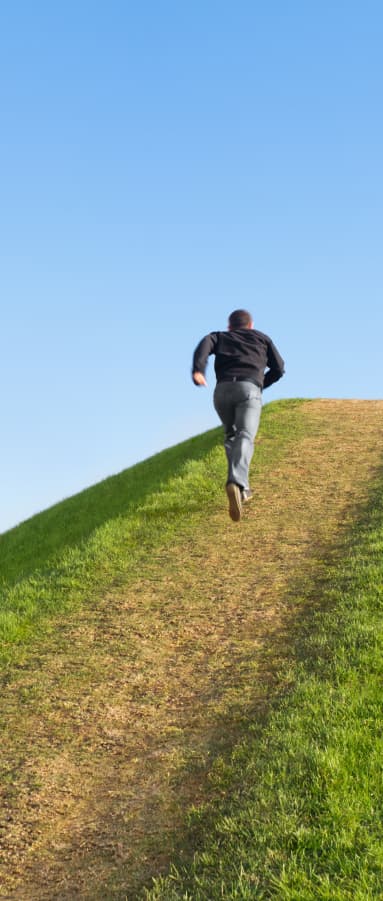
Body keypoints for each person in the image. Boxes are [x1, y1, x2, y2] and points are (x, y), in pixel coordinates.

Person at [192, 309, 285, 522]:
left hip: (222, 391)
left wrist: (198, 370)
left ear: (229, 326)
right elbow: (279, 368)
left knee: (231, 436)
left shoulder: (219, 336)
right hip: (248, 389)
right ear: (250, 325)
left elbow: (205, 344)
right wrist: (260, 384)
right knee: (245, 435)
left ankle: (243, 489)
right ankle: (236, 482)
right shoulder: (261, 338)